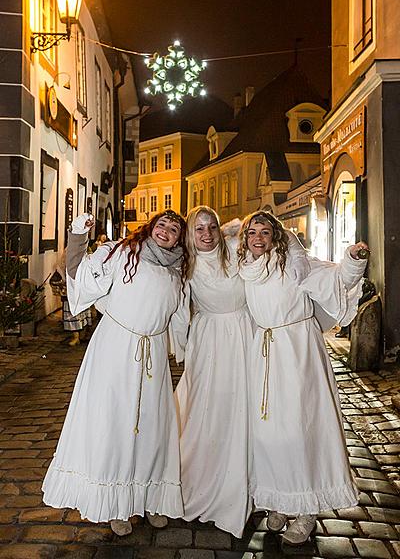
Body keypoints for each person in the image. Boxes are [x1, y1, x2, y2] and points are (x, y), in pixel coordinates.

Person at [42, 210, 188, 536]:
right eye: (162, 225)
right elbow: (81, 273)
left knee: (153, 427)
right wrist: (78, 235)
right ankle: (116, 505)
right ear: (151, 228)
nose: (166, 231)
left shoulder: (179, 271)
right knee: (116, 426)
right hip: (116, 350)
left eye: (174, 229)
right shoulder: (123, 253)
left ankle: (150, 496)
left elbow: (181, 318)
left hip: (153, 360)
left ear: (180, 238)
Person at [174, 206, 309, 538]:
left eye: (211, 226)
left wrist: (289, 239)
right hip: (209, 341)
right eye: (198, 228)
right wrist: (178, 347)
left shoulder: (236, 251)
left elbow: (279, 244)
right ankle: (206, 483)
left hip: (247, 335)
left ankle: (260, 490)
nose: (206, 233)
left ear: (220, 229)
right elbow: (176, 307)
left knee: (254, 412)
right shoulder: (184, 265)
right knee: (210, 411)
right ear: (190, 234)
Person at [237, 211, 369, 545]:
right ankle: (280, 499)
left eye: (265, 232)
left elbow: (337, 279)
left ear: (275, 236)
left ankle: (307, 509)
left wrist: (353, 260)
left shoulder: (295, 264)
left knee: (300, 429)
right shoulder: (245, 269)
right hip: (265, 354)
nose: (258, 237)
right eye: (252, 232)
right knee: (269, 432)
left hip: (298, 354)